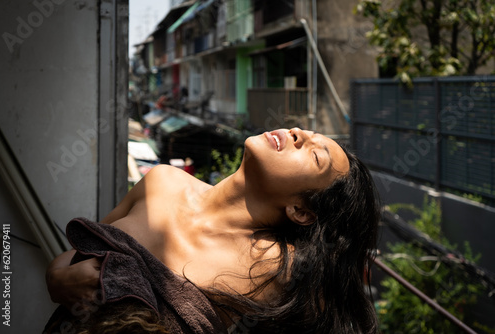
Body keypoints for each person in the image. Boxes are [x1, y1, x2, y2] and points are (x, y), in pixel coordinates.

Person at [46, 128, 381, 334]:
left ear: (301, 211)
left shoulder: (276, 266)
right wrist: (56, 277)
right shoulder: (161, 180)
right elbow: (84, 252)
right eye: (307, 133)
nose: (298, 134)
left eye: (313, 154)